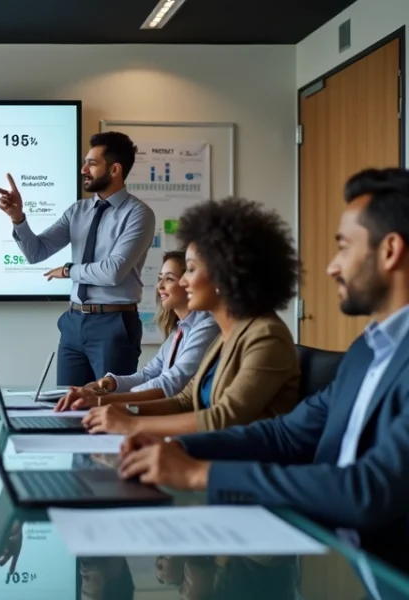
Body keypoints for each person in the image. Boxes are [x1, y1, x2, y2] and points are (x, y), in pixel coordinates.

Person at [116, 168, 409, 573]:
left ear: (390, 250)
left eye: (343, 247)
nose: (332, 268)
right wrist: (182, 449)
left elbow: (369, 489)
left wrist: (202, 473)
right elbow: (286, 433)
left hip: (371, 570)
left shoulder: (273, 334)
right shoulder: (367, 351)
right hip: (328, 554)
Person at [81, 197, 301, 436]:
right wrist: (109, 407)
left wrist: (130, 422)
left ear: (225, 276)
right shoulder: (227, 335)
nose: (183, 281)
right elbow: (185, 400)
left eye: (192, 269)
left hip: (241, 463)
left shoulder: (266, 335)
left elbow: (223, 418)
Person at [0, 131, 155, 386]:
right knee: (66, 406)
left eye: (92, 163)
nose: (83, 169)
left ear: (115, 170)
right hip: (73, 322)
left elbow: (113, 271)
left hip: (113, 324)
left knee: (108, 408)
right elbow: (36, 253)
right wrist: (18, 218)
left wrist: (69, 270)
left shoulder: (139, 214)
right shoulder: (78, 211)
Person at [54, 251, 219, 411]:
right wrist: (111, 383)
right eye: (160, 279)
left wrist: (103, 400)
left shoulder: (206, 326)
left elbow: (172, 383)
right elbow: (149, 374)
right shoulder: (180, 329)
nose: (160, 286)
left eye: (169, 279)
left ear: (187, 283)